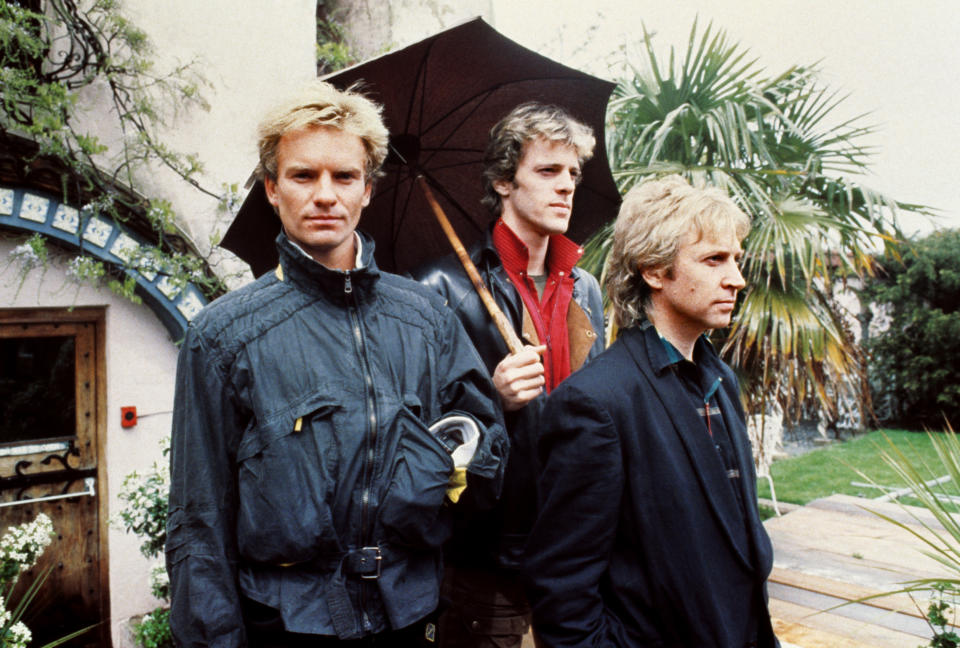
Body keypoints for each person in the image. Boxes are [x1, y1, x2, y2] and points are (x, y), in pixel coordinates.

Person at [166, 81, 508, 647]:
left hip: (410, 612)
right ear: (272, 189)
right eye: (303, 176)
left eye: (344, 176)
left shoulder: (427, 317)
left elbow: (483, 466)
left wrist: (474, 451)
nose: (325, 194)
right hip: (289, 623)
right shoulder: (222, 336)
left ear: (368, 189)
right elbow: (198, 521)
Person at [524, 175, 779, 647]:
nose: (737, 280)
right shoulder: (596, 404)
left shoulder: (721, 382)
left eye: (736, 260)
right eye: (713, 260)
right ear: (654, 271)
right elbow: (563, 596)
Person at [414, 103, 606, 647]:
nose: (566, 187)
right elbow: (412, 435)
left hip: (575, 551)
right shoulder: (439, 288)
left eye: (572, 173)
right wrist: (491, 400)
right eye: (547, 172)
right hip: (487, 558)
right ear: (503, 180)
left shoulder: (586, 289)